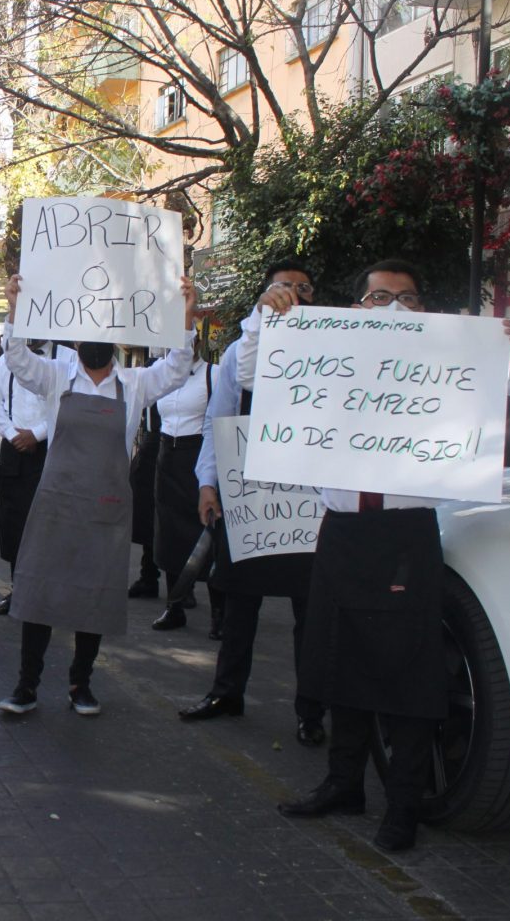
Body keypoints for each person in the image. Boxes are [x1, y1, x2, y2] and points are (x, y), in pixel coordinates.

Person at [264, 259, 510, 852]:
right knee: (339, 662)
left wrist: (504, 359)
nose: (394, 307)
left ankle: (403, 804)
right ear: (358, 307)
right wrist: (268, 317)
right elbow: (259, 374)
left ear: (423, 308)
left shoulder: (443, 366)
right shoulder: (326, 355)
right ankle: (343, 783)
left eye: (407, 298)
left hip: (406, 537)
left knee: (408, 675)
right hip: (343, 533)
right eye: (380, 297)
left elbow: (495, 427)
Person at [0, 273, 198, 717]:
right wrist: (14, 308)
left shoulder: (136, 383)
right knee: (41, 593)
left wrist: (185, 316)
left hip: (106, 510)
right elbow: (16, 359)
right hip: (56, 505)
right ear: (75, 338)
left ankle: (81, 684)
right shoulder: (55, 377)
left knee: (96, 595)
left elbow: (177, 368)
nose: (95, 342)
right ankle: (26, 685)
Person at [178, 261, 325, 745]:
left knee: (311, 614)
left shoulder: (330, 351)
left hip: (307, 504)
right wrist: (207, 482)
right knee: (239, 605)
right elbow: (217, 420)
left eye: (303, 288)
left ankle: (311, 711)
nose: (293, 294)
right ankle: (226, 692)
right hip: (252, 499)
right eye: (283, 287)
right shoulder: (239, 355)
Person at [0, 340, 63, 615]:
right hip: (14, 448)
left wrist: (37, 434)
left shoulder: (66, 358)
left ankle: (48, 595)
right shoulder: (8, 360)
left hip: (51, 447)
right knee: (14, 523)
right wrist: (12, 433)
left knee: (50, 525)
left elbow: (70, 405)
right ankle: (19, 591)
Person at [148, 343, 224, 634]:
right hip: (167, 455)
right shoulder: (161, 373)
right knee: (168, 533)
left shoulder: (214, 374)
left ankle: (219, 613)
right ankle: (174, 606)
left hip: (199, 456)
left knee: (208, 534)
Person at [127, 405, 163, 599]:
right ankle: (148, 574)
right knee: (146, 511)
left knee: (177, 515)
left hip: (184, 437)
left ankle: (184, 585)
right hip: (152, 437)